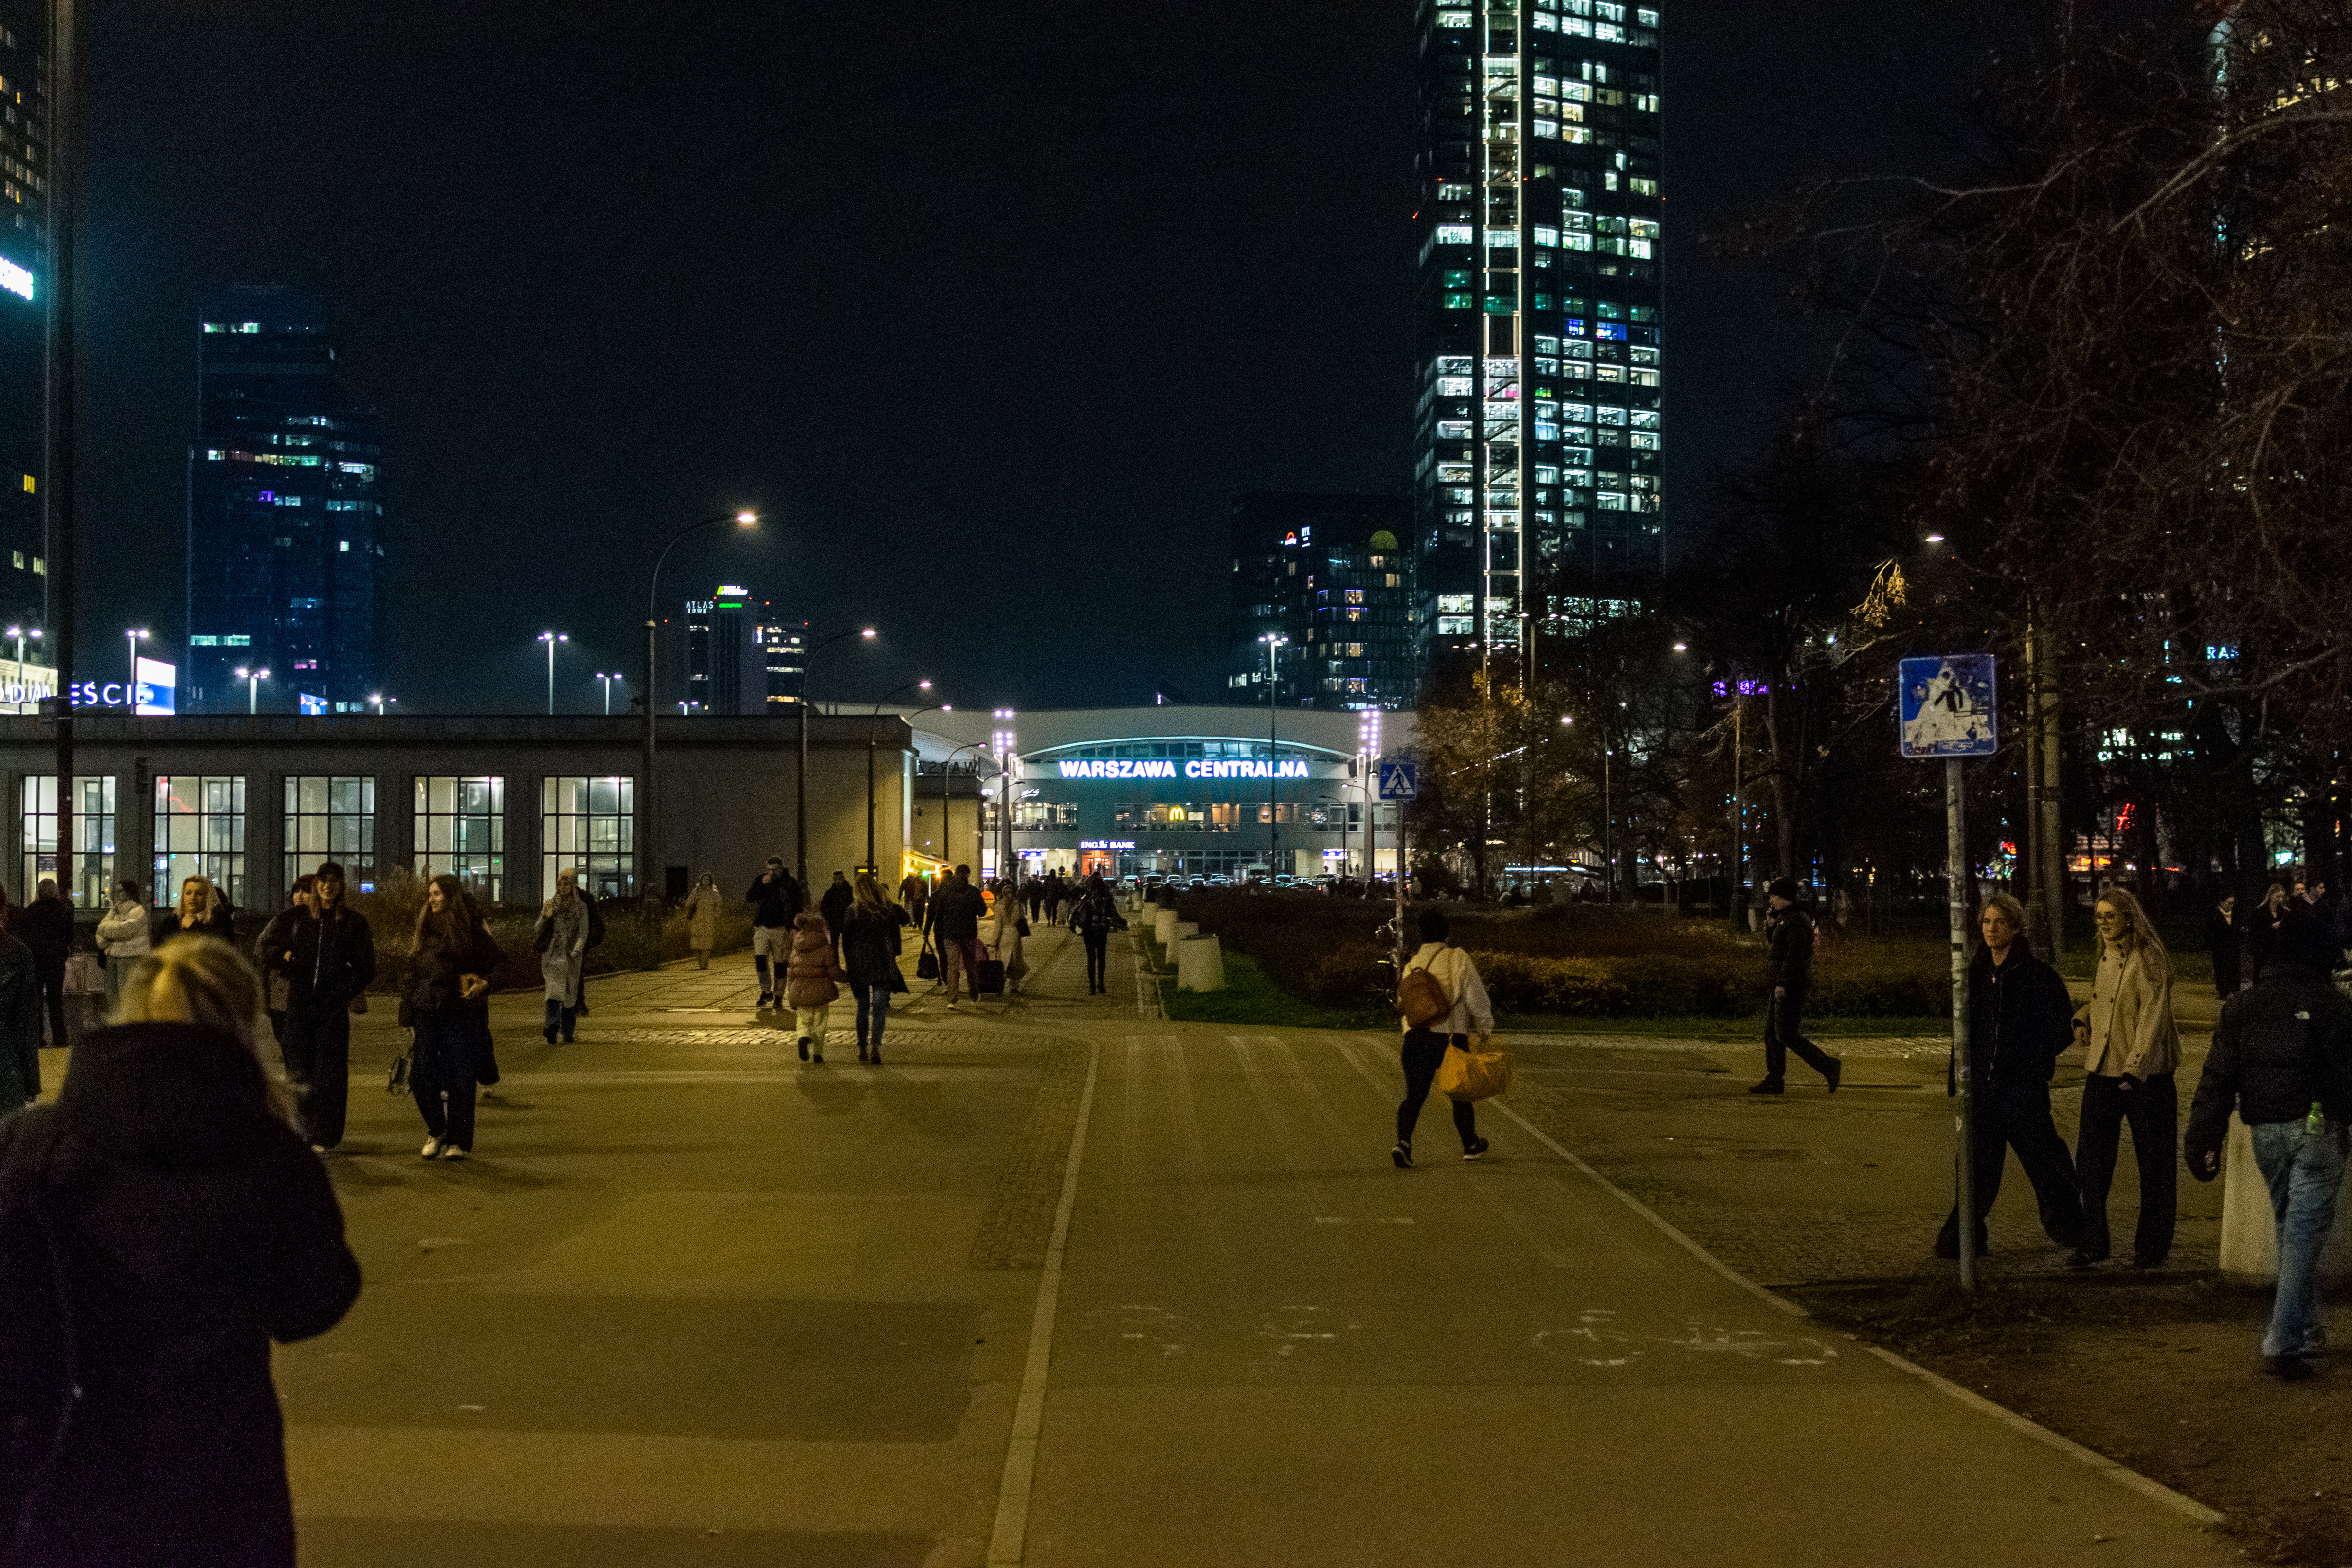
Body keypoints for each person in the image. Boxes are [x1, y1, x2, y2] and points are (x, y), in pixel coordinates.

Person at [0, 937, 356, 1563]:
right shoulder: (267, 1155)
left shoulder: (34, 1147)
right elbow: (313, 1302)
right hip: (216, 1470)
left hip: (61, 1465)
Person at [2186, 917, 2352, 1379]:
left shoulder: (2243, 1006)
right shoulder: (2332, 1005)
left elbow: (2218, 1076)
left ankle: (2309, 1323)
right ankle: (2283, 1338)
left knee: (2289, 1227)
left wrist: (2203, 1135)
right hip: (2318, 1128)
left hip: (2266, 1131)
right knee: (2301, 1232)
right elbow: (2344, 1074)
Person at [1934, 894, 2086, 1260]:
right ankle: (1965, 1237)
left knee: (2045, 1160)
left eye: (1999, 922)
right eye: (1986, 922)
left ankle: (2075, 1228)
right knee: (1976, 1168)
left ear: (2015, 927)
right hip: (1983, 1092)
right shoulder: (1974, 974)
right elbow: (1964, 1030)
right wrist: (1959, 1079)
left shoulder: (2036, 975)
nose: (1991, 929)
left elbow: (2060, 1026)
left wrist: (2033, 1060)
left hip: (2022, 1089)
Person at [2070, 886, 2182, 1269]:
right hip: (2102, 1068)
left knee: (2155, 1162)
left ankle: (2152, 1246)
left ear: (2129, 917)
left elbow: (2151, 1020)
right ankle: (2093, 1240)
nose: (2103, 922)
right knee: (2090, 1159)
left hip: (2145, 1076)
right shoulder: (2105, 954)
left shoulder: (2149, 959)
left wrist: (2135, 1070)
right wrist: (2084, 1017)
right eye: (2098, 916)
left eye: (2110, 916)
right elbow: (2110, 1001)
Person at [273, 861, 376, 1153]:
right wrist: (288, 960)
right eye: (323, 880)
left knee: (329, 1072)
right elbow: (269, 947)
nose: (328, 886)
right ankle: (302, 1130)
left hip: (331, 1009)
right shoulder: (298, 918)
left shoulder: (354, 922)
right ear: (316, 884)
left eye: (334, 881)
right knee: (298, 1069)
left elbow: (366, 967)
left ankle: (326, 1135)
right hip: (299, 1006)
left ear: (342, 886)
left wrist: (342, 993)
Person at [408, 874, 504, 1160]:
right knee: (420, 1076)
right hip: (426, 1011)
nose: (432, 899)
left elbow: (500, 964)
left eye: (437, 894)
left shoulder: (471, 930)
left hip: (460, 1012)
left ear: (450, 896)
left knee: (461, 1076)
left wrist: (486, 984)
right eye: (430, 894)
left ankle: (458, 1141)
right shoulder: (424, 929)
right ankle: (437, 1130)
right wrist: (408, 1015)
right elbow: (411, 973)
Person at [1391, 907, 1492, 1168]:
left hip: (1415, 1039)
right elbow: (1474, 995)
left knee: (1414, 1095)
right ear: (1446, 932)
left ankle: (1404, 1143)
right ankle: (1469, 1146)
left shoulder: (1412, 965)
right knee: (1460, 1094)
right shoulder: (1457, 958)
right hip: (1450, 1038)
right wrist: (1484, 1026)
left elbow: (1405, 1004)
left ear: (1421, 934)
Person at [1751, 878, 1842, 1095]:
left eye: (1774, 896)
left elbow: (1795, 956)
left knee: (1785, 1034)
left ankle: (1828, 1065)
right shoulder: (1787, 918)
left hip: (1790, 984)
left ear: (1784, 897)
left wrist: (1783, 983)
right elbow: (1777, 947)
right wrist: (1771, 925)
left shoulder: (1798, 920)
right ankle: (1774, 1079)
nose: (1771, 899)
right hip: (1781, 983)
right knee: (1772, 1033)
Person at [841, 871, 910, 1063]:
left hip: (859, 963)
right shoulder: (886, 907)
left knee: (863, 1007)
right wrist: (887, 900)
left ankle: (862, 1045)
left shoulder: (852, 910)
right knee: (879, 1008)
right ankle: (876, 1047)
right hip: (882, 961)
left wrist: (849, 963)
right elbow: (907, 919)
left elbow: (846, 940)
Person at [254, 875, 317, 1046]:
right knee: (284, 1030)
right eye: (297, 891)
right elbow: (266, 948)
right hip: (282, 985)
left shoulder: (324, 920)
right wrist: (286, 956)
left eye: (307, 891)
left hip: (310, 988)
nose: (300, 895)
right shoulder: (284, 919)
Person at [535, 868, 591, 1045]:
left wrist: (577, 949)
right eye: (561, 884)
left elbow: (584, 931)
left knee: (569, 994)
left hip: (571, 956)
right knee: (552, 992)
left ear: (573, 886)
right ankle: (552, 1026)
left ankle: (568, 1031)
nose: (564, 887)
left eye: (567, 884)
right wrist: (545, 916)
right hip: (552, 954)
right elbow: (537, 929)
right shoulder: (550, 904)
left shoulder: (581, 907)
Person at [16, 878, 71, 1051]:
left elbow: (25, 937)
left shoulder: (31, 911)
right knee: (56, 1001)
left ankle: (38, 1038)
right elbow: (68, 934)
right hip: (55, 961)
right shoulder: (63, 910)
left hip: (38, 961)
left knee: (37, 1001)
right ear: (54, 891)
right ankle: (60, 1037)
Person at [924, 864, 988, 1009]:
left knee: (952, 966)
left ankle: (952, 1000)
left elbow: (938, 913)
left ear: (956, 874)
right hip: (969, 934)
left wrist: (933, 931)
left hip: (950, 935)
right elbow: (983, 911)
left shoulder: (945, 892)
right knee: (970, 965)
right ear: (967, 875)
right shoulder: (973, 892)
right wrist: (971, 908)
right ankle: (974, 995)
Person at [783, 910, 843, 1063]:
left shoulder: (796, 948)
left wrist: (791, 994)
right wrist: (848, 977)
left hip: (800, 990)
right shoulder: (826, 948)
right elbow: (834, 972)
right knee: (821, 1021)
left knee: (804, 1020)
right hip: (821, 990)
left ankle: (803, 1037)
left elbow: (791, 973)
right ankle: (817, 1053)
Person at [746, 856, 804, 1011]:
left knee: (780, 964)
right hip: (762, 927)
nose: (770, 873)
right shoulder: (761, 880)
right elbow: (750, 897)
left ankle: (778, 996)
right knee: (760, 959)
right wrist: (762, 885)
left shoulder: (789, 883)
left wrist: (794, 927)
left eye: (773, 869)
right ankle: (766, 991)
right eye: (768, 869)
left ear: (780, 868)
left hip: (781, 928)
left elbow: (799, 905)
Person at [94, 877, 153, 1011]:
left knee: (126, 996)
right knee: (112, 995)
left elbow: (122, 930)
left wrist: (108, 931)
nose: (119, 894)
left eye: (122, 891)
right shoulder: (116, 910)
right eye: (118, 891)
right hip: (113, 955)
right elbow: (101, 930)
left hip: (130, 957)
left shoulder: (138, 911)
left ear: (130, 892)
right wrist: (107, 937)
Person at [1069, 873, 1128, 995]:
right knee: (1101, 958)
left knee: (1091, 959)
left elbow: (1077, 910)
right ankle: (1101, 983)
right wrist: (1123, 923)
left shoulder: (1088, 895)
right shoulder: (1107, 896)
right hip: (1102, 931)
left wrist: (1073, 925)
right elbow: (1114, 914)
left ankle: (1092, 987)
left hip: (1089, 931)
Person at [155, 873, 235, 943]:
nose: (193, 897)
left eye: (199, 894)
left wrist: (193, 926)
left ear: (207, 898)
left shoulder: (220, 920)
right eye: (188, 893)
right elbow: (160, 947)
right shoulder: (172, 920)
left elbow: (218, 949)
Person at [987, 878, 1029, 998]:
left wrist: (994, 942)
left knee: (1004, 961)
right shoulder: (1018, 905)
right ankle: (1014, 985)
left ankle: (1001, 982)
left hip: (1004, 936)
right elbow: (1021, 920)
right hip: (1015, 935)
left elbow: (998, 927)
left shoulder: (999, 906)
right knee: (1015, 960)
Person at [682, 873, 724, 968]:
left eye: (707, 880)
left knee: (708, 942)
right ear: (700, 880)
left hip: (709, 920)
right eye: (704, 879)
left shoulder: (714, 893)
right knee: (697, 944)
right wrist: (693, 899)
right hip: (698, 919)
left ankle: (704, 964)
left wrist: (715, 916)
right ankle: (700, 963)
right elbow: (688, 904)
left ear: (710, 881)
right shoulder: (696, 892)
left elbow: (719, 906)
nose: (705, 881)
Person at [2207, 892, 2242, 999]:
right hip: (2220, 947)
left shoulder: (2235, 915)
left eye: (2233, 903)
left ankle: (2234, 989)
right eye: (2228, 903)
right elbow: (2212, 931)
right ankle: (2223, 991)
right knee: (2221, 969)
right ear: (2221, 902)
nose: (2231, 905)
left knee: (2234, 968)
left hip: (2233, 947)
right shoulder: (2215, 915)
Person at [819, 870, 854, 965]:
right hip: (837, 923)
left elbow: (824, 907)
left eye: (840, 879)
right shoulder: (848, 891)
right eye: (837, 879)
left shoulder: (847, 891)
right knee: (836, 947)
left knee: (845, 946)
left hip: (844, 923)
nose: (838, 881)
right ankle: (839, 966)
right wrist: (829, 919)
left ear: (843, 879)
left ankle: (846, 966)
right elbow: (824, 907)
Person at [897, 869, 929, 935]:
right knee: (915, 911)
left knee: (920, 912)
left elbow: (926, 890)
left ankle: (919, 925)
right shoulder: (914, 881)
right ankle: (915, 922)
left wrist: (926, 898)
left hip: (921, 899)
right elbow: (910, 889)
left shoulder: (924, 882)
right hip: (914, 898)